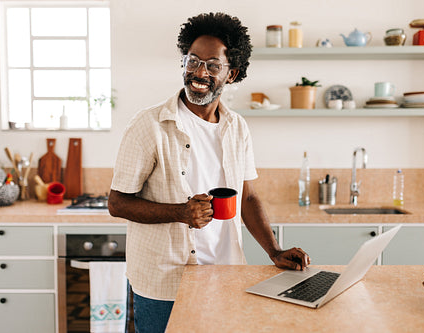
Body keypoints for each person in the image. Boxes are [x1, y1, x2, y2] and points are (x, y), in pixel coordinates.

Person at [108, 12, 310, 333]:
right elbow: (117, 203)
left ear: (232, 74)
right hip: (164, 282)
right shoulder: (149, 126)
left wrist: (274, 250)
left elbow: (249, 196)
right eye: (193, 61)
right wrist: (180, 212)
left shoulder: (237, 127)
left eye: (213, 65)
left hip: (226, 274)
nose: (199, 73)